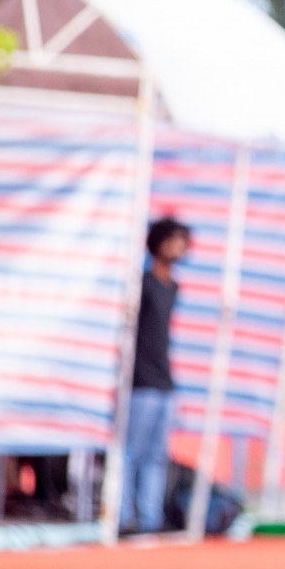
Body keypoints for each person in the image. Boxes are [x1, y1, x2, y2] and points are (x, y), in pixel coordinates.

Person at [120, 216, 189, 534]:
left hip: (164, 381)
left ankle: (149, 518)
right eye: (172, 240)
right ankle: (122, 516)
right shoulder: (142, 284)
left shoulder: (172, 287)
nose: (178, 246)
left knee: (157, 455)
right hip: (141, 381)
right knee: (130, 451)